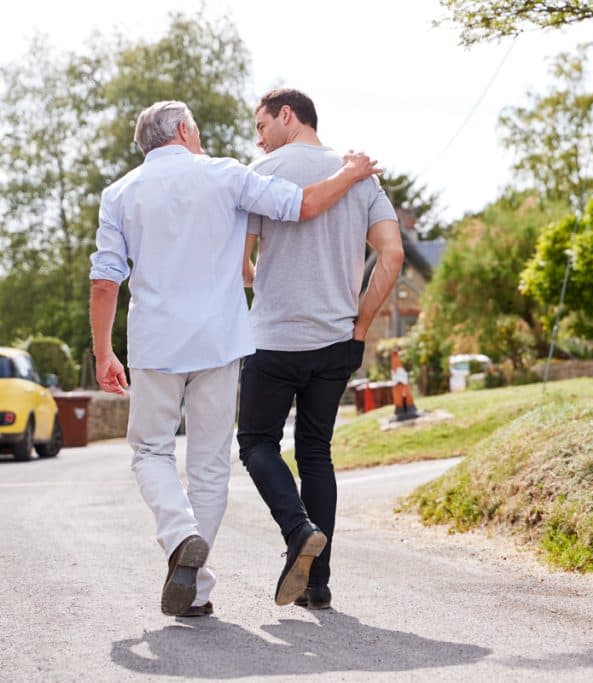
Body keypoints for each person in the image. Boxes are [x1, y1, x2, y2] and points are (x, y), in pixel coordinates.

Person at [89, 100, 380, 618]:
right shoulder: (227, 176)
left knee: (151, 451)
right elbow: (306, 205)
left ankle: (183, 543)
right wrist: (351, 172)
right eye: (195, 129)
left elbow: (105, 280)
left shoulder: (120, 194)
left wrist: (103, 350)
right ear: (183, 130)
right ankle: (194, 586)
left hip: (156, 344)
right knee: (208, 466)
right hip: (221, 341)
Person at [238, 88, 403, 610]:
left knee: (257, 443)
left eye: (261, 125)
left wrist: (264, 281)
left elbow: (238, 264)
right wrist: (360, 325)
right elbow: (393, 255)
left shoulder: (259, 173)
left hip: (273, 340)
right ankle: (318, 584)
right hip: (336, 342)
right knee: (315, 454)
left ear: (287, 116)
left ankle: (297, 530)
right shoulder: (359, 173)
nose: (258, 138)